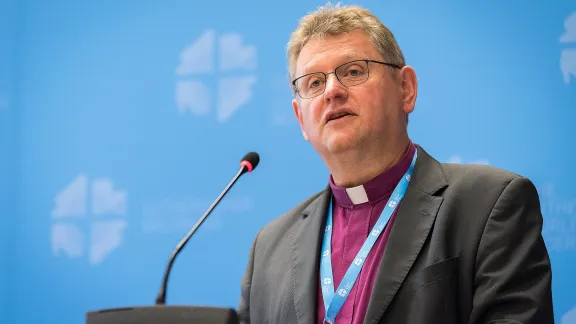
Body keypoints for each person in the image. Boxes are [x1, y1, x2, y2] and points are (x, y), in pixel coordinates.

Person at [237, 3, 554, 324]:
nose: (332, 91)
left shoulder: (489, 206)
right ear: (300, 119)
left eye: (353, 71)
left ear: (406, 89)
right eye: (314, 83)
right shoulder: (269, 249)